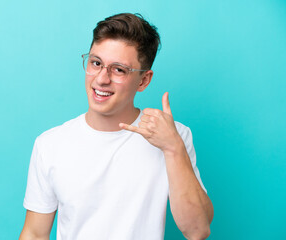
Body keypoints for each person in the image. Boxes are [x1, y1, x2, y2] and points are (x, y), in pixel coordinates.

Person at [19, 13, 214, 240]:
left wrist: (173, 149)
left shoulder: (174, 137)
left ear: (143, 80)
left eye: (119, 69)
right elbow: (34, 233)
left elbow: (198, 230)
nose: (101, 79)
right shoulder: (50, 144)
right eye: (96, 63)